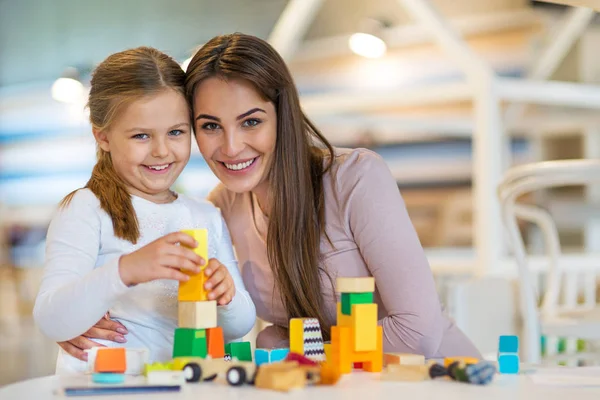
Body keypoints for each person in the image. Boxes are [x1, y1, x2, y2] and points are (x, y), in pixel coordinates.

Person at [59, 34, 481, 359]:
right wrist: (82, 323)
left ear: (284, 114)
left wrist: (290, 356)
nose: (231, 147)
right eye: (209, 126)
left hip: (436, 378)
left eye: (251, 121)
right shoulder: (219, 208)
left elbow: (417, 330)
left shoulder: (355, 178)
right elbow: (236, 324)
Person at [33, 46, 256, 374]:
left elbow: (239, 325)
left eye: (176, 132)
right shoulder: (86, 209)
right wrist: (126, 270)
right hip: (103, 390)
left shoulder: (205, 215)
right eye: (141, 136)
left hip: (182, 387)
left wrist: (227, 295)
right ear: (103, 136)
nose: (162, 151)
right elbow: (51, 319)